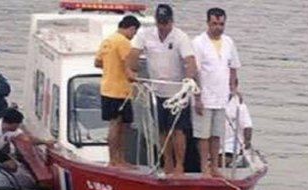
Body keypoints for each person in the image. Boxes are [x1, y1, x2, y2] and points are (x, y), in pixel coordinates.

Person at [127, 4, 196, 176]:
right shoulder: (145, 34)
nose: (163, 26)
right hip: (157, 91)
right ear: (156, 21)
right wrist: (131, 70)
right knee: (162, 130)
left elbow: (190, 61)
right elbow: (133, 53)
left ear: (171, 21)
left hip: (177, 92)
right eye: (160, 22)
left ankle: (180, 164)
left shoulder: (180, 37)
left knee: (178, 130)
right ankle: (168, 162)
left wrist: (188, 79)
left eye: (166, 22)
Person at [191, 7, 241, 177]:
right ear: (208, 23)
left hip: (221, 97)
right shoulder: (198, 42)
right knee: (203, 135)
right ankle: (205, 167)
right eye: (214, 23)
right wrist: (197, 97)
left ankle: (214, 167)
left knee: (216, 134)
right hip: (204, 96)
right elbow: (195, 71)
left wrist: (233, 89)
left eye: (221, 24)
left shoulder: (228, 42)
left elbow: (233, 66)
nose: (218, 27)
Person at [94, 14, 141, 168]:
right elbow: (128, 67)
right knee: (118, 125)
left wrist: (111, 68)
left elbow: (97, 62)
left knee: (115, 124)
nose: (133, 36)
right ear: (131, 28)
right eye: (134, 33)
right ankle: (116, 160)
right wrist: (135, 77)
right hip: (120, 90)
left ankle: (116, 159)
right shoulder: (124, 42)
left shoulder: (108, 40)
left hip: (106, 88)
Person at [0, 107, 55, 172]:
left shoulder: (13, 131)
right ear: (11, 123)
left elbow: (28, 139)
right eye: (18, 124)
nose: (19, 126)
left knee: (13, 167)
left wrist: (45, 142)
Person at [221, 80, 253, 161]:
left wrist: (247, 141)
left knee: (223, 160)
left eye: (231, 85)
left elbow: (247, 125)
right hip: (212, 142)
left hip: (230, 144)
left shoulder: (239, 104)